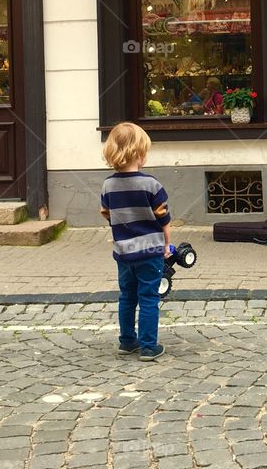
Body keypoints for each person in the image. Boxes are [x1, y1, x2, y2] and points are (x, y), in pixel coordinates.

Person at [100, 122, 172, 360]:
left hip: (123, 252)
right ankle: (149, 346)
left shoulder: (108, 185)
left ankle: (127, 341)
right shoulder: (151, 184)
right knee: (149, 297)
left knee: (126, 296)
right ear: (140, 153)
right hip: (150, 251)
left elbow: (107, 214)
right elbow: (164, 219)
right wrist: (166, 246)